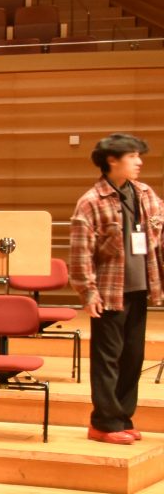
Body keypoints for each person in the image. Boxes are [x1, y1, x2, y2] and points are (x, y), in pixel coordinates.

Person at [70, 133, 163, 445]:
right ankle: (103, 423)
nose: (139, 162)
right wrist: (88, 292)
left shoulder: (145, 194)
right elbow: (80, 253)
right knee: (108, 359)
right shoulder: (91, 202)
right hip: (109, 293)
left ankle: (123, 417)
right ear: (112, 160)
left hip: (140, 289)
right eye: (132, 156)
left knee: (133, 358)